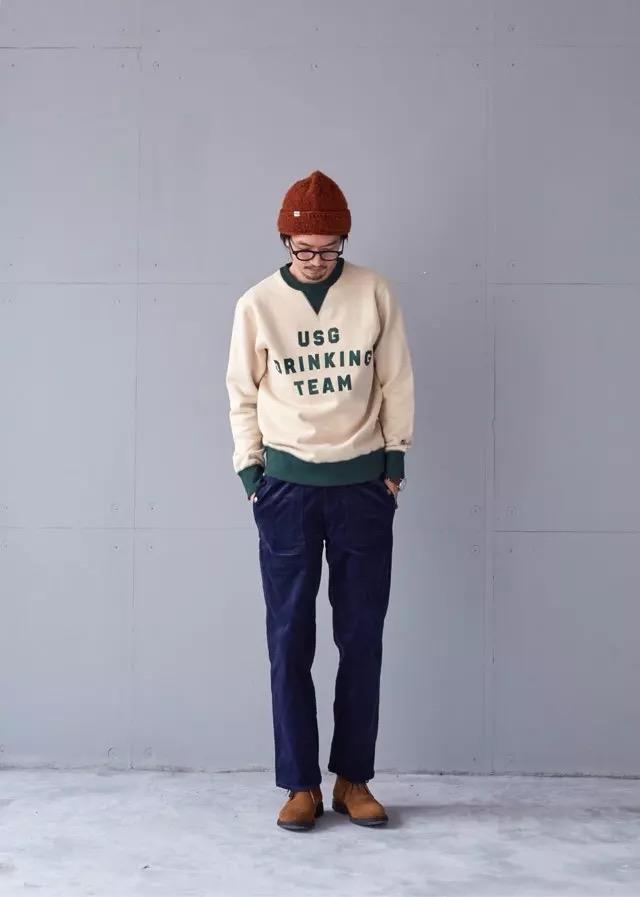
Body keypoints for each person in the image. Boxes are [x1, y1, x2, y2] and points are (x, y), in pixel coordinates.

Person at [225, 169, 415, 832]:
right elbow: (241, 393)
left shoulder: (374, 292)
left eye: (328, 249)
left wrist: (394, 462)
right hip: (286, 489)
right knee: (289, 638)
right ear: (285, 241)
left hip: (362, 487)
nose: (315, 260)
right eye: (303, 248)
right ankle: (300, 783)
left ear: (343, 242)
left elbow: (396, 378)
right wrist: (251, 473)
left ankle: (353, 779)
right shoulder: (257, 303)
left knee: (362, 637)